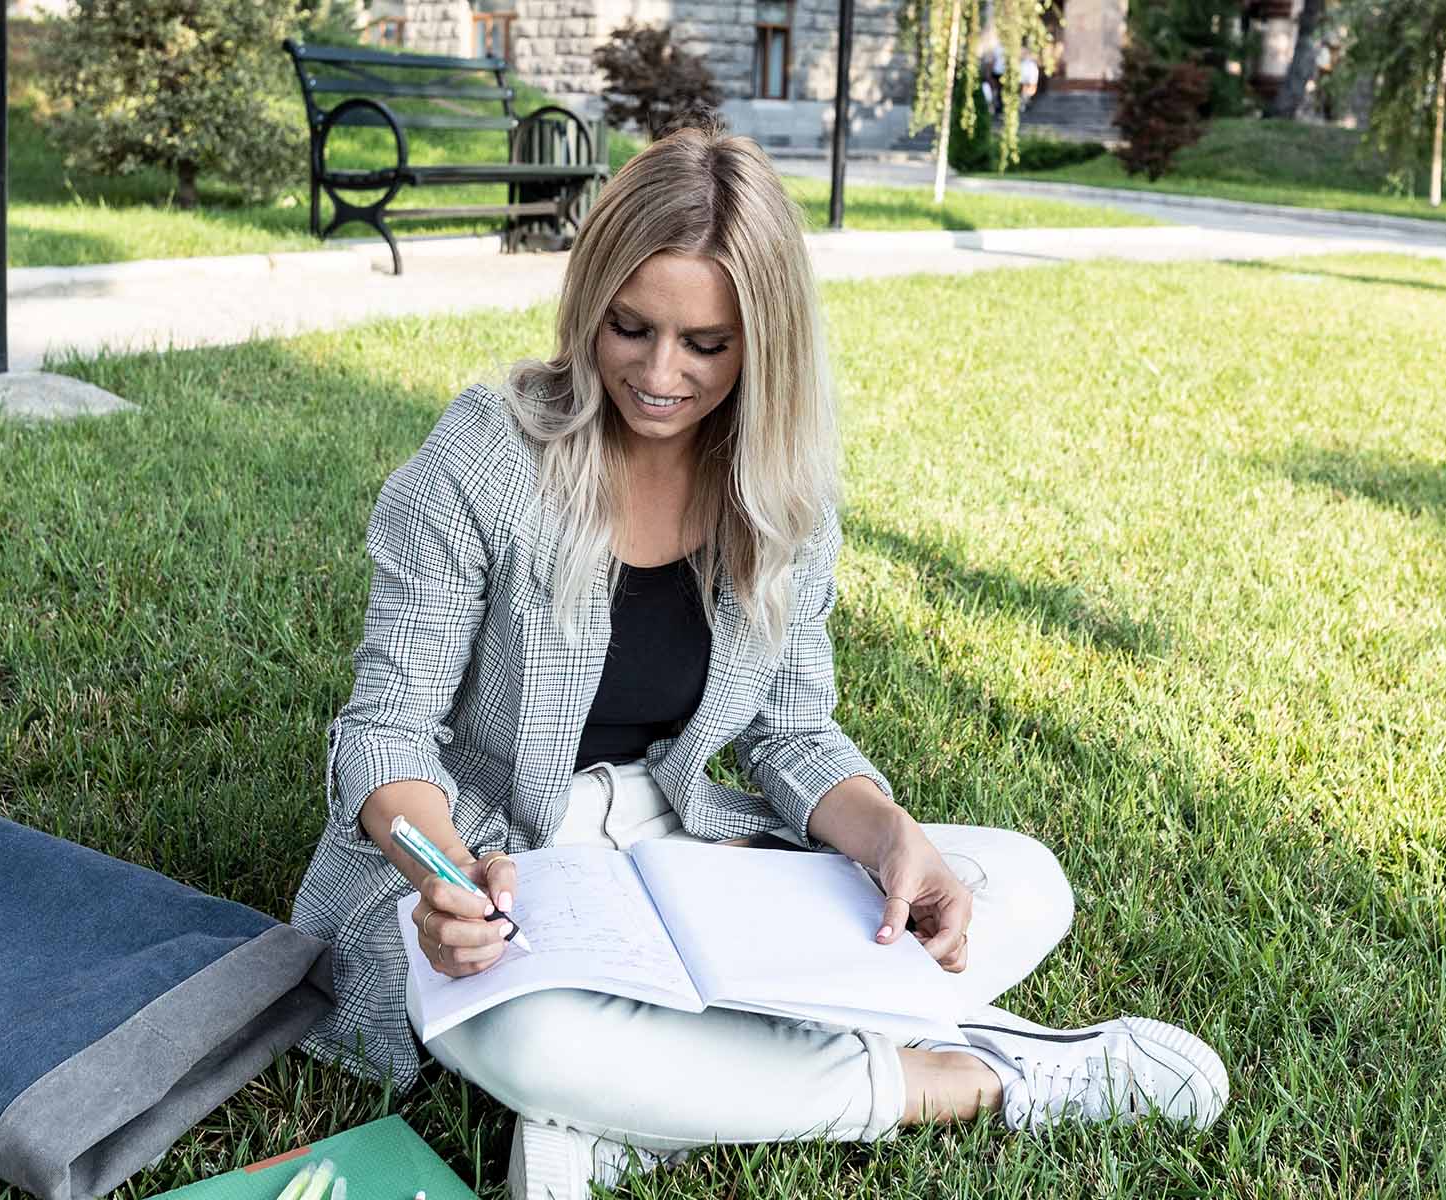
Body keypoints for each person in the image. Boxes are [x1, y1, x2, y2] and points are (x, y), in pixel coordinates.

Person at [290, 116, 1228, 1200]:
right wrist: (446, 882)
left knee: (1021, 884)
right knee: (534, 1036)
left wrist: (891, 840)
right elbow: (387, 729)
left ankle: (630, 1118)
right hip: (503, 855)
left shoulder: (782, 489)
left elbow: (791, 727)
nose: (657, 374)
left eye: (705, 344)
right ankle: (966, 1079)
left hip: (681, 855)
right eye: (629, 327)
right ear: (589, 301)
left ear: (763, 342)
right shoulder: (486, 454)